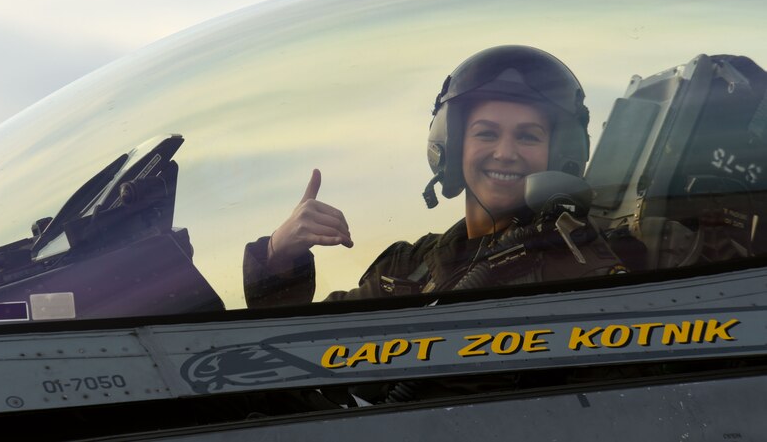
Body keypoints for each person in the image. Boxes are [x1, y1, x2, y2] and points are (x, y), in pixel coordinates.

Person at [243, 45, 626, 309]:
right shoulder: (410, 268)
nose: (505, 152)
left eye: (527, 136)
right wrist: (279, 256)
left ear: (561, 155)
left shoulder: (619, 253)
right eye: (486, 133)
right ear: (452, 146)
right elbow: (296, 349)